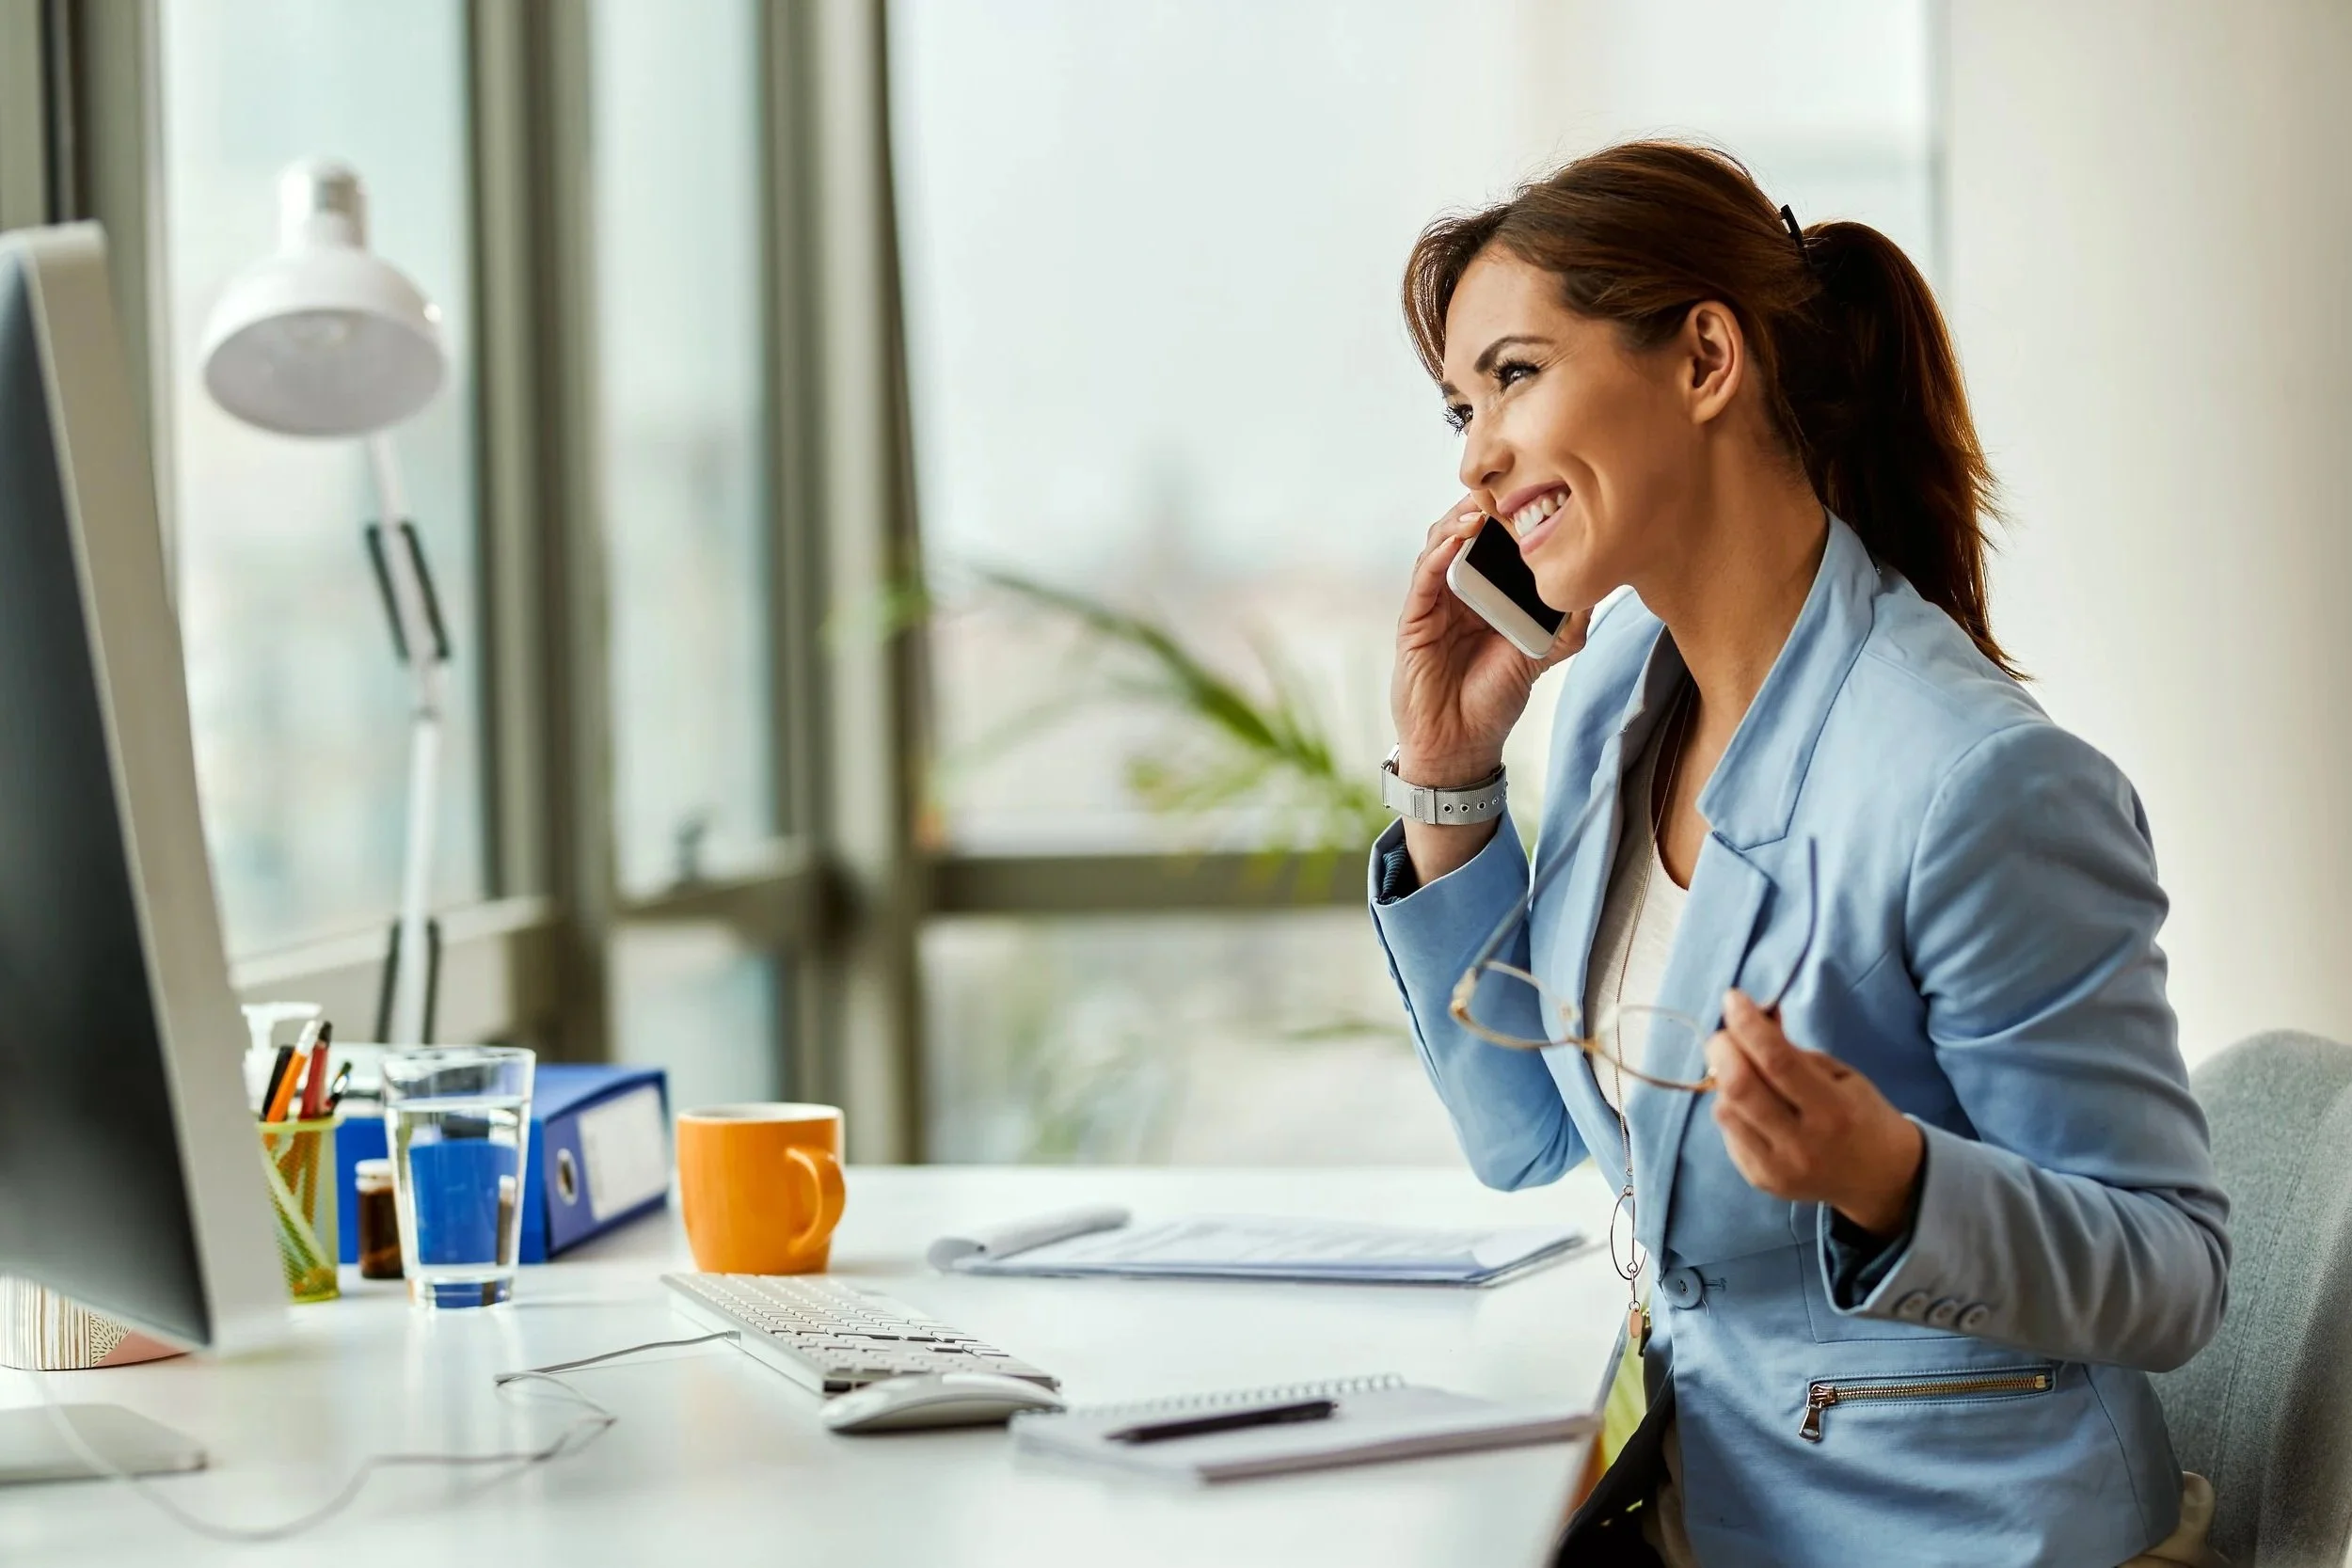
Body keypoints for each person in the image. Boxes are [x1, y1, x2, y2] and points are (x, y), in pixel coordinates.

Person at [1368, 141, 2230, 1567]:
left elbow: (2172, 1271)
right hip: (1720, 1512)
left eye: (1516, 376)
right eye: (1461, 407)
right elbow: (1522, 1138)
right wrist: (1449, 772)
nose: (1476, 454)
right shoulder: (1613, 706)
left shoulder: (1976, 783)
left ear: (1706, 356)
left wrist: (1894, 1176)